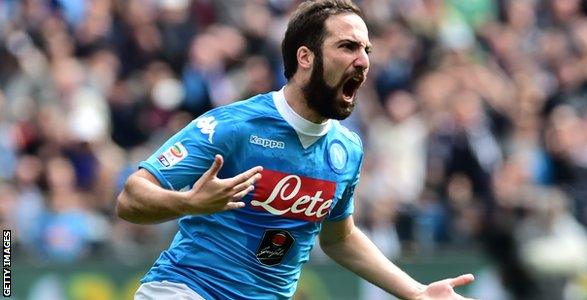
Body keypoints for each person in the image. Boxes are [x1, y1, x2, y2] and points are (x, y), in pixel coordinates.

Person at [116, 1, 475, 299]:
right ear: (306, 57)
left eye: (366, 50)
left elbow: (340, 236)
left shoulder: (346, 149)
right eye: (347, 46)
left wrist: (417, 292)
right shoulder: (236, 125)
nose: (363, 61)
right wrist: (190, 203)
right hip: (187, 290)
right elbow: (131, 198)